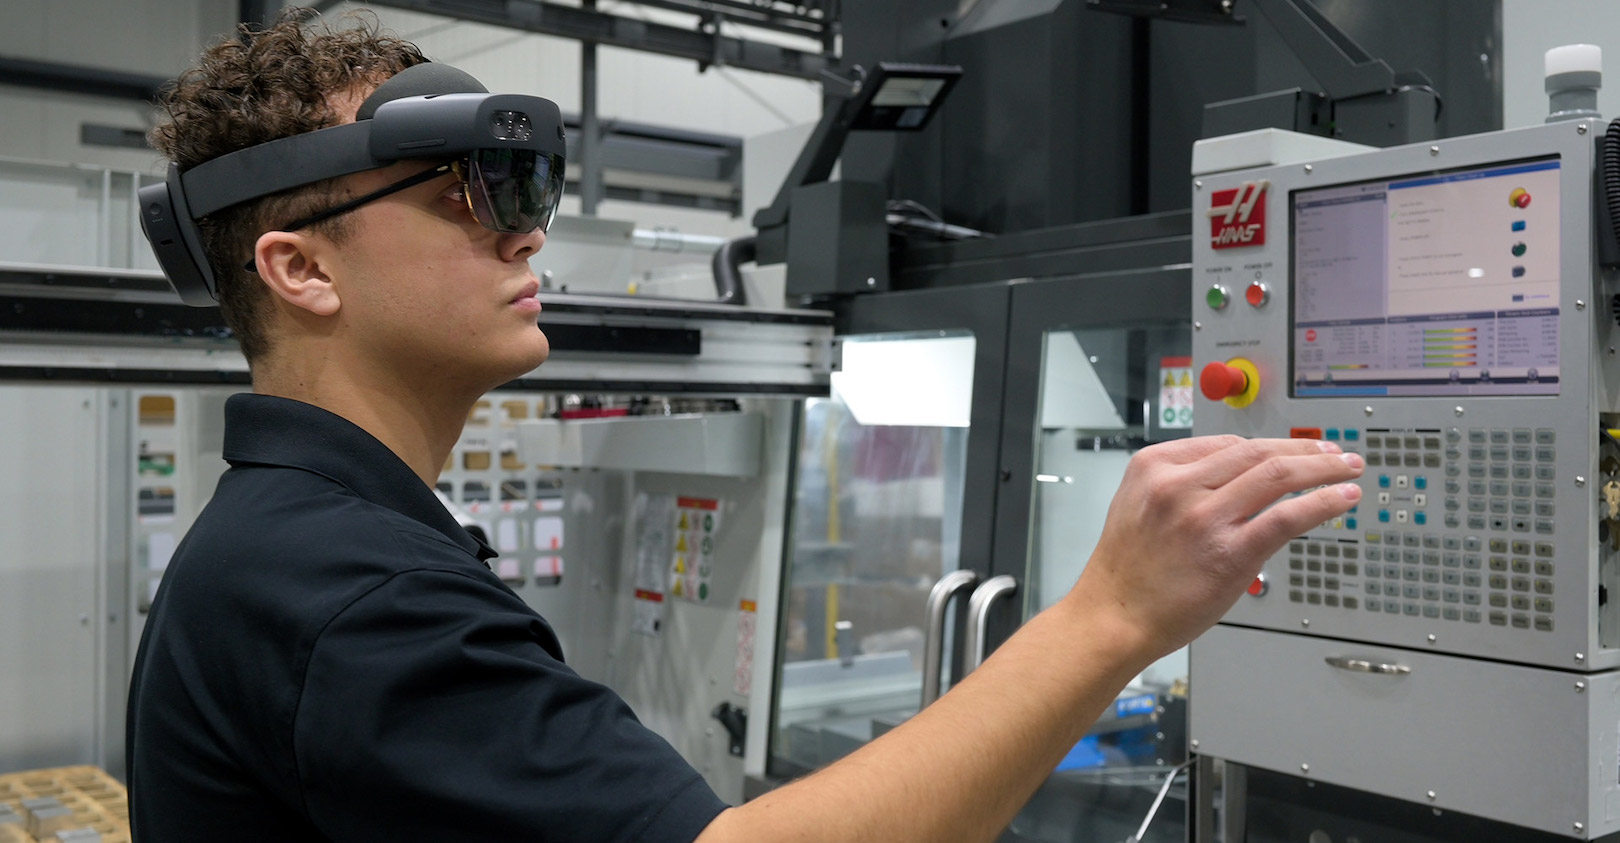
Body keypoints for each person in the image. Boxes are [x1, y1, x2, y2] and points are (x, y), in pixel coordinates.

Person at [126, 9, 1365, 842]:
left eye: (522, 185)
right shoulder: (340, 589)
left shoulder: (313, 543)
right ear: (301, 271)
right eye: (461, 186)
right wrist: (1115, 613)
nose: (522, 227)